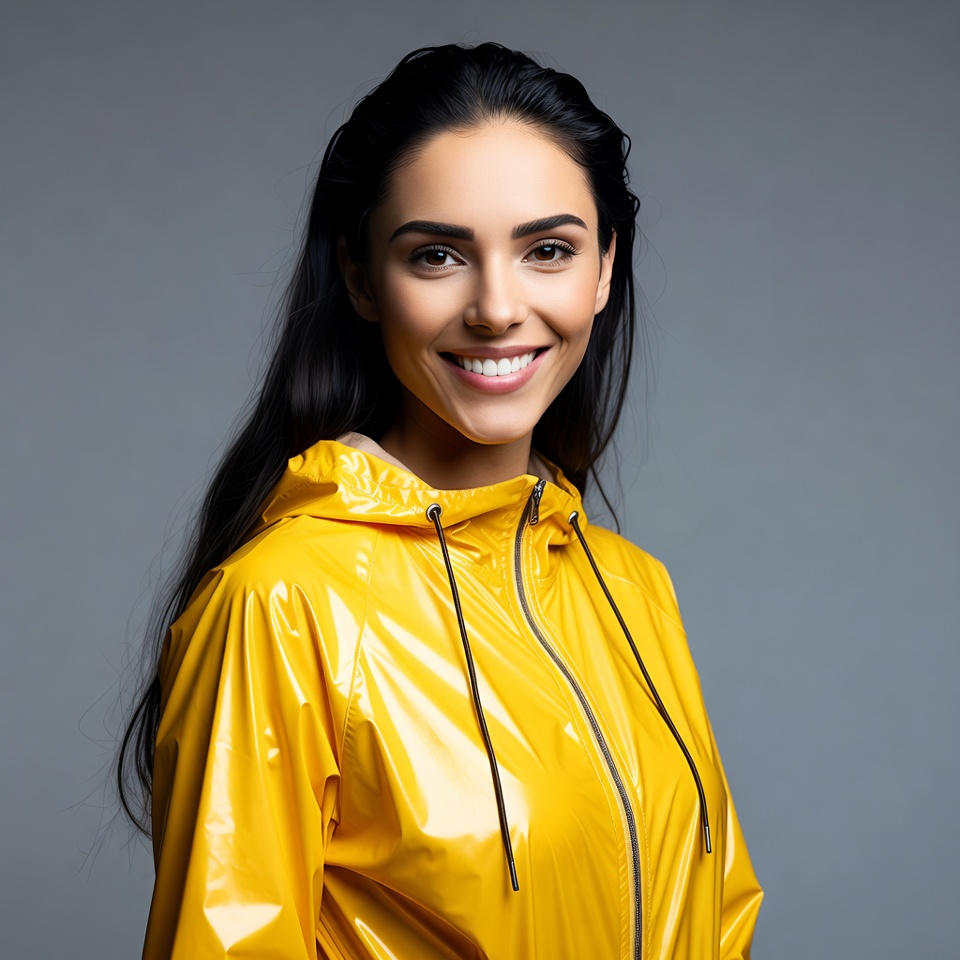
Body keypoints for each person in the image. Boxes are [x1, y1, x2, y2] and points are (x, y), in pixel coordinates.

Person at [119, 41, 763, 960]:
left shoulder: (636, 594)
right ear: (359, 277)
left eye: (548, 250)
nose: (497, 307)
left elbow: (720, 917)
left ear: (605, 268)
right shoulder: (282, 604)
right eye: (437, 256)